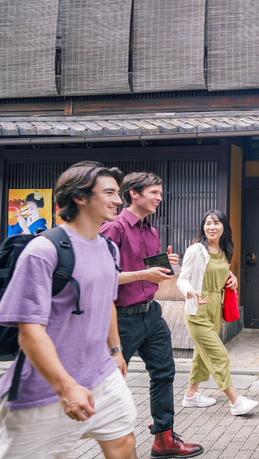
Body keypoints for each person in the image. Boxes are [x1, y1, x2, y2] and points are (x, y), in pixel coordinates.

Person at [0, 161, 137, 458]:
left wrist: (115, 351)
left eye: (119, 193)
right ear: (79, 197)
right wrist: (66, 387)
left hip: (102, 374)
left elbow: (106, 301)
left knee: (123, 444)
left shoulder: (108, 247)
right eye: (110, 193)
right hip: (47, 388)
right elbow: (29, 332)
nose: (118, 201)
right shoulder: (43, 251)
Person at [100, 173, 203, 458]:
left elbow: (147, 273)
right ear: (134, 193)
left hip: (151, 314)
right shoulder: (113, 228)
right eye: (154, 192)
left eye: (160, 193)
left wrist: (163, 266)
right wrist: (144, 273)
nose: (160, 197)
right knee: (112, 380)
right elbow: (103, 277)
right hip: (120, 318)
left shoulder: (152, 231)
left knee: (164, 373)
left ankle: (164, 438)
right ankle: (112, 441)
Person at [177, 210, 258, 417]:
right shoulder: (196, 250)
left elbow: (223, 272)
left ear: (224, 228)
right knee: (218, 354)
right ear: (203, 227)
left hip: (215, 307)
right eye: (207, 223)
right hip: (197, 308)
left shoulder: (224, 250)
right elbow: (182, 278)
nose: (211, 227)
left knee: (201, 355)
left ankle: (191, 396)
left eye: (216, 223)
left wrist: (233, 279)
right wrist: (190, 292)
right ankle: (235, 400)